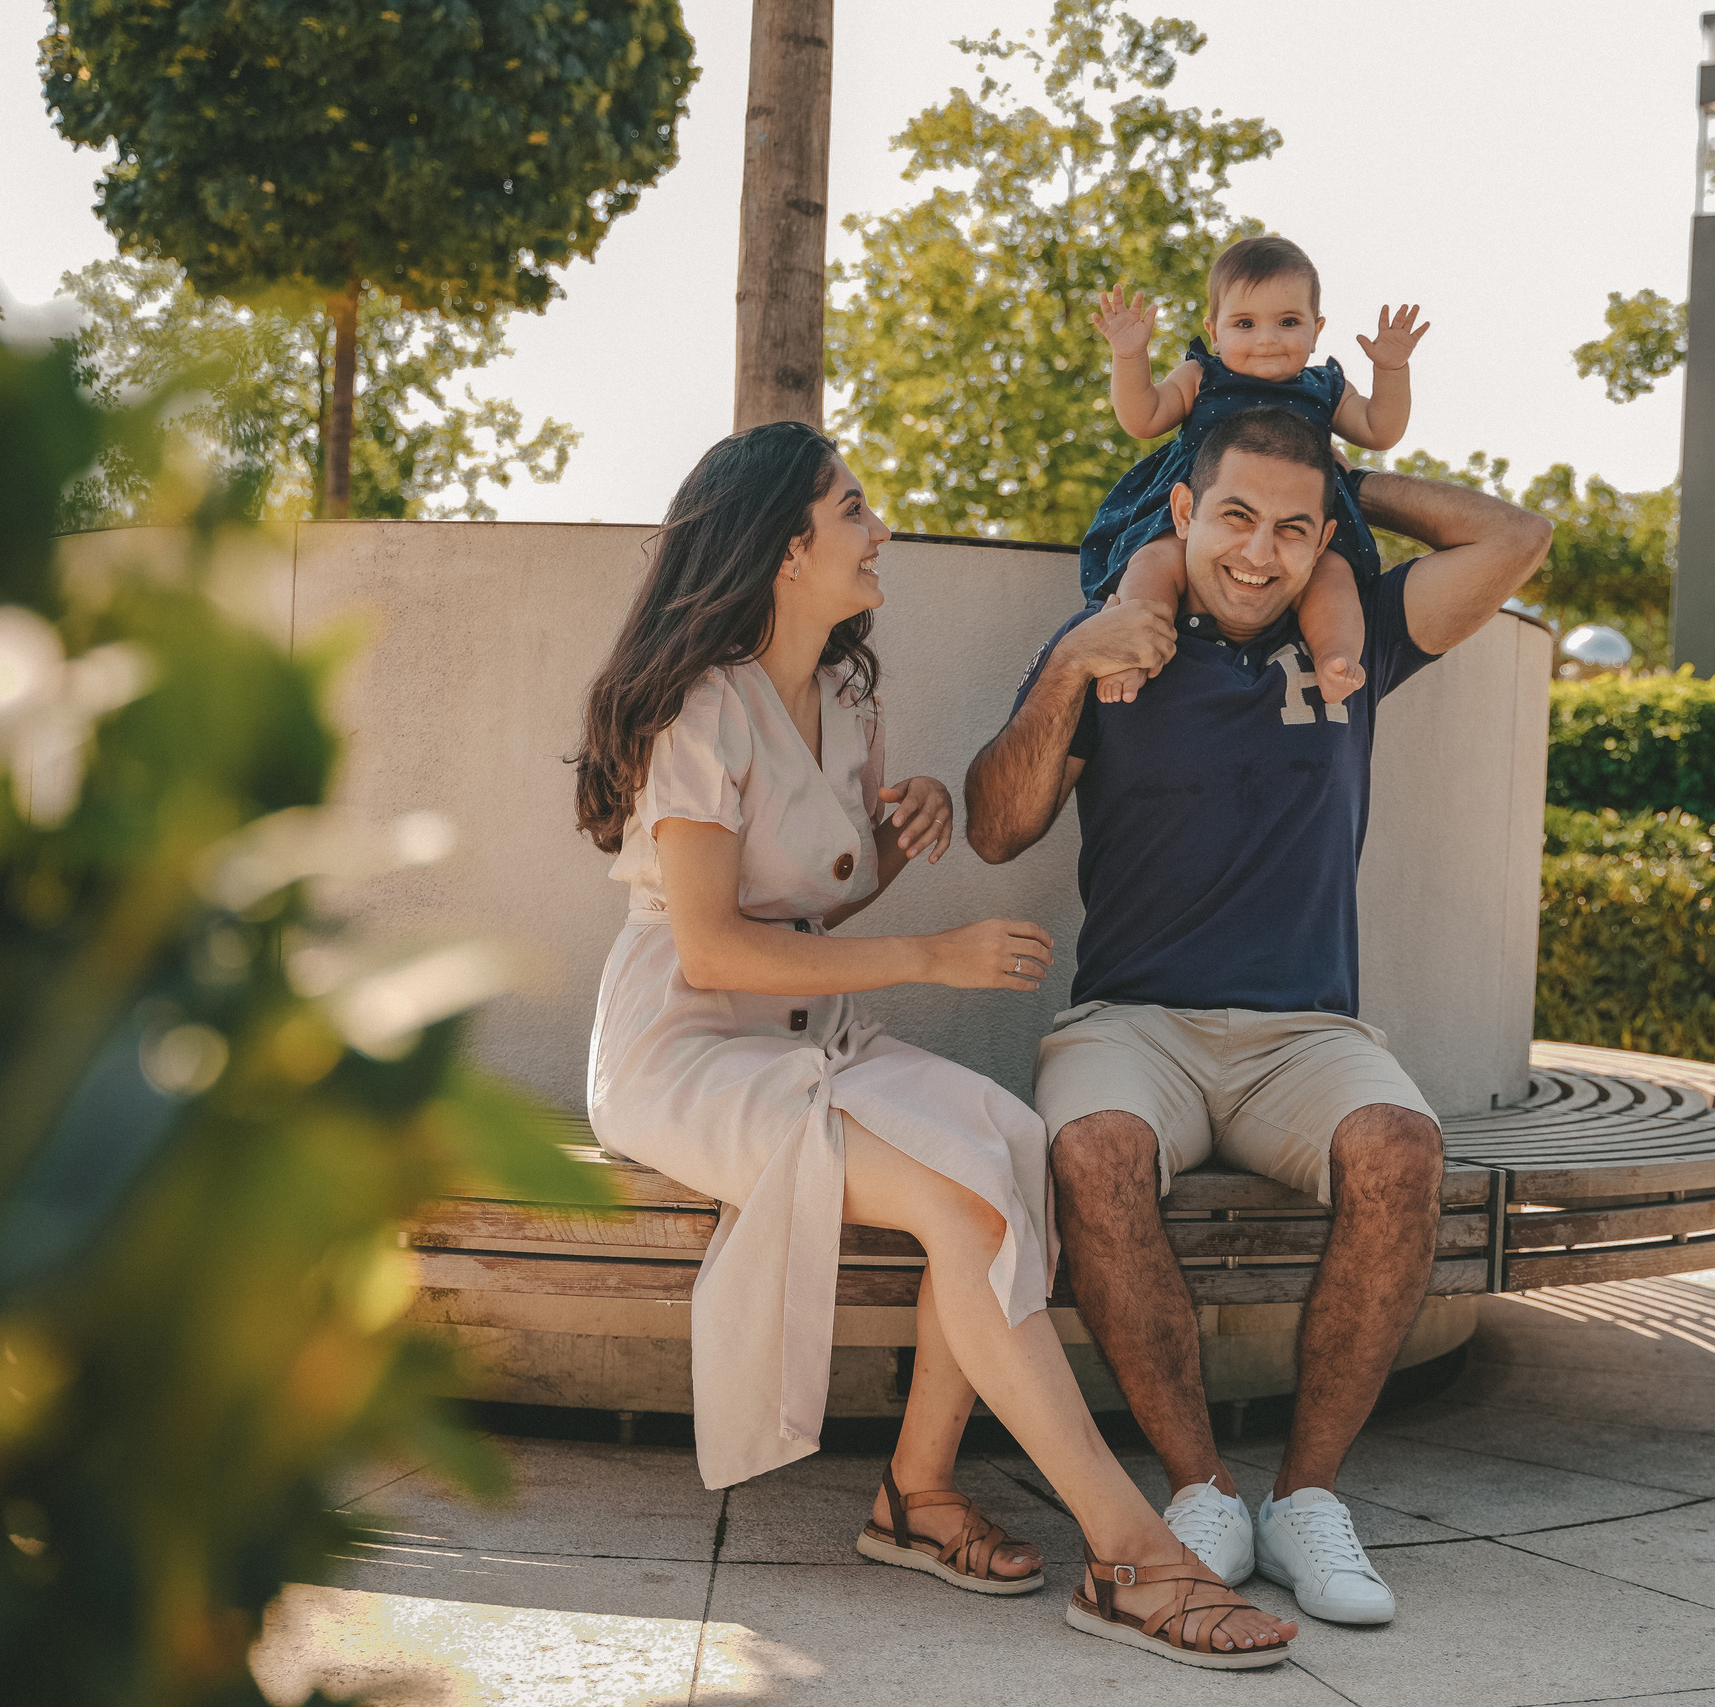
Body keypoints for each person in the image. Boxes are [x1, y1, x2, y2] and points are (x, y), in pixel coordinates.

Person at [573, 421, 1297, 1669]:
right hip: (683, 1049)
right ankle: (1130, 1552)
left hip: (804, 1029)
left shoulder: (846, 692)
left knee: (1012, 1145)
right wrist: (929, 953)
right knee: (963, 1205)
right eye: (853, 509)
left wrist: (897, 842)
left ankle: (915, 1495)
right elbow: (716, 949)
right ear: (785, 548)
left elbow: (817, 902)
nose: (881, 529)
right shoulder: (700, 710)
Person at [962, 405, 1552, 1626]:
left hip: (1306, 1037)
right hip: (1131, 1023)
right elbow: (996, 829)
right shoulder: (1114, 640)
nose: (1258, 552)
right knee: (1092, 1152)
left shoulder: (1358, 637)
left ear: (1322, 538)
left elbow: (1515, 538)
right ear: (1181, 513)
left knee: (1402, 1149)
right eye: (1233, 515)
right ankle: (1202, 1493)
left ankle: (1307, 1500)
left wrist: (1348, 480)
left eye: (1292, 528)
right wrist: (1071, 666)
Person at [1080, 233, 1430, 707]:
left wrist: (1391, 371)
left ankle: (1336, 657)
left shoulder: (1326, 386)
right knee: (1154, 563)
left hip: (1296, 522)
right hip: (1203, 511)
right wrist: (1129, 356)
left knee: (1332, 575)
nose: (1267, 339)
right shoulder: (1201, 376)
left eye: (1288, 322)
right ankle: (1131, 648)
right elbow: (1143, 418)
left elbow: (1379, 429)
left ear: (1316, 329)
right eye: (1245, 323)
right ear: (1214, 330)